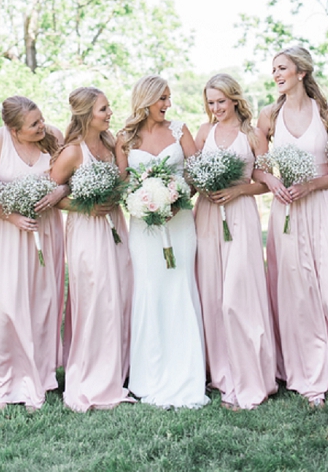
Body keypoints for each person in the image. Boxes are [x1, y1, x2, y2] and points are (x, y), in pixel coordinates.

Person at [256, 45, 328, 406]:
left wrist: (311, 185)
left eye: (282, 68)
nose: (276, 75)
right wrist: (273, 182)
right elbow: (258, 165)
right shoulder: (269, 115)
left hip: (324, 206)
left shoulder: (327, 113)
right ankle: (307, 374)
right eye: (273, 70)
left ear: (301, 72)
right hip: (287, 212)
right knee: (297, 292)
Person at [115, 75, 208, 408]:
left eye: (169, 98)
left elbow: (196, 175)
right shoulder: (124, 137)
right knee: (150, 289)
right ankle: (148, 376)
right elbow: (124, 184)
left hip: (181, 222)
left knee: (179, 286)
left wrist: (178, 198)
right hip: (144, 228)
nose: (168, 105)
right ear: (145, 101)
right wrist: (142, 202)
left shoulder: (179, 130)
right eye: (162, 99)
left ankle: (187, 372)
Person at [193, 73, 276, 410]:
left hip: (240, 214)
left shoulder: (253, 135)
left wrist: (237, 189)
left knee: (237, 297)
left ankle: (252, 373)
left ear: (234, 100)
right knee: (212, 294)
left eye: (221, 102)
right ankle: (222, 373)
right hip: (208, 216)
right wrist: (203, 185)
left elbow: (267, 181)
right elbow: (193, 172)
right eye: (211, 103)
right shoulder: (203, 133)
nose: (216, 109)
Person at [0, 96, 66, 412]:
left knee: (42, 304)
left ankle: (37, 382)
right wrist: (11, 216)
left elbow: (70, 176)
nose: (41, 126)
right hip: (6, 233)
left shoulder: (52, 136)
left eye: (41, 119)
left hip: (45, 231)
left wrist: (60, 191)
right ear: (13, 130)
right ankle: (1, 385)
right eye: (34, 124)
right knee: (6, 307)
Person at [50, 87, 133, 411]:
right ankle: (91, 375)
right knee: (97, 297)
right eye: (103, 109)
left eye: (108, 107)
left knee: (122, 293)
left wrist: (123, 155)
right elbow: (54, 195)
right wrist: (85, 206)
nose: (110, 113)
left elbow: (123, 180)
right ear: (86, 114)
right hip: (87, 230)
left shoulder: (112, 144)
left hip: (116, 227)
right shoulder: (73, 151)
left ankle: (118, 370)